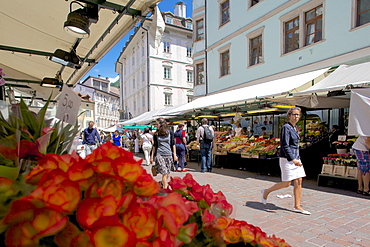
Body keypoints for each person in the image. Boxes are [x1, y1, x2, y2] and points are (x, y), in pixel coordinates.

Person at [262, 107, 311, 215]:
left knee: (299, 181)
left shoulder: (294, 127)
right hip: (288, 159)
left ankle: (297, 206)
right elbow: (285, 144)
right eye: (294, 114)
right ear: (289, 116)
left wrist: (296, 158)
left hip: (296, 157)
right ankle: (266, 191)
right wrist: (292, 159)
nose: (296, 117)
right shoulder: (286, 127)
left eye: (298, 115)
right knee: (287, 183)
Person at [150, 118, 178, 189]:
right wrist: (151, 156)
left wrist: (174, 155)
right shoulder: (156, 134)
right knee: (164, 173)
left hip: (168, 154)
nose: (156, 125)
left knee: (167, 174)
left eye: (157, 124)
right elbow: (154, 146)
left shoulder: (170, 133)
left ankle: (162, 184)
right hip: (160, 154)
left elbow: (173, 144)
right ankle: (165, 189)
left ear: (161, 124)